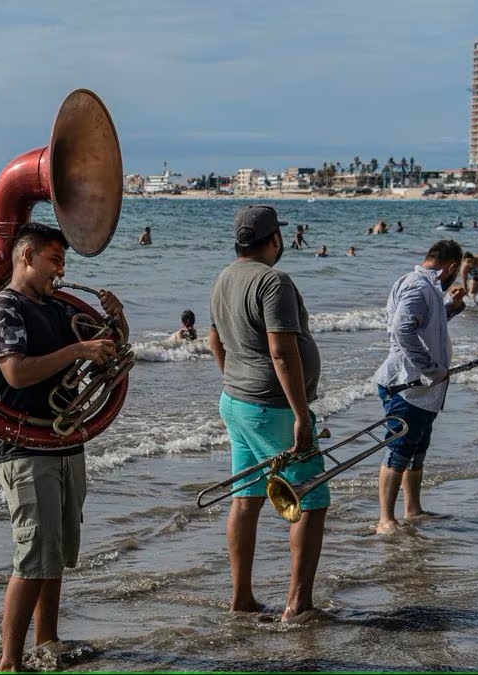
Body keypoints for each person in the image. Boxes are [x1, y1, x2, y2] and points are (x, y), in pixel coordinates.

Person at [0, 222, 127, 672]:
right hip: (25, 447)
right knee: (32, 554)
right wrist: (76, 351)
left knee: (56, 549)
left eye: (63, 263)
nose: (60, 273)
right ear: (26, 256)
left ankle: (47, 640)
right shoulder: (4, 308)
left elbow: (110, 351)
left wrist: (117, 322)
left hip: (63, 441)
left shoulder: (58, 308)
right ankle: (9, 661)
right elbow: (16, 373)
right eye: (55, 261)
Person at [208, 204, 326, 622]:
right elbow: (281, 350)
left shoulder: (223, 277)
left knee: (247, 497)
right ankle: (298, 603)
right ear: (274, 239)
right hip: (273, 407)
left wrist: (234, 380)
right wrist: (299, 414)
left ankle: (241, 597)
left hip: (236, 403)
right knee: (312, 497)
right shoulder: (273, 281)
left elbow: (214, 340)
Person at [372, 240, 467, 534]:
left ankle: (412, 509)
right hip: (406, 384)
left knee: (417, 449)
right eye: (457, 270)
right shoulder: (419, 285)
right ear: (451, 266)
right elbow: (402, 329)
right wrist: (429, 368)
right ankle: (385, 519)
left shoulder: (430, 288)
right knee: (399, 449)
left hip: (425, 389)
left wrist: (451, 308)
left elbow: (426, 325)